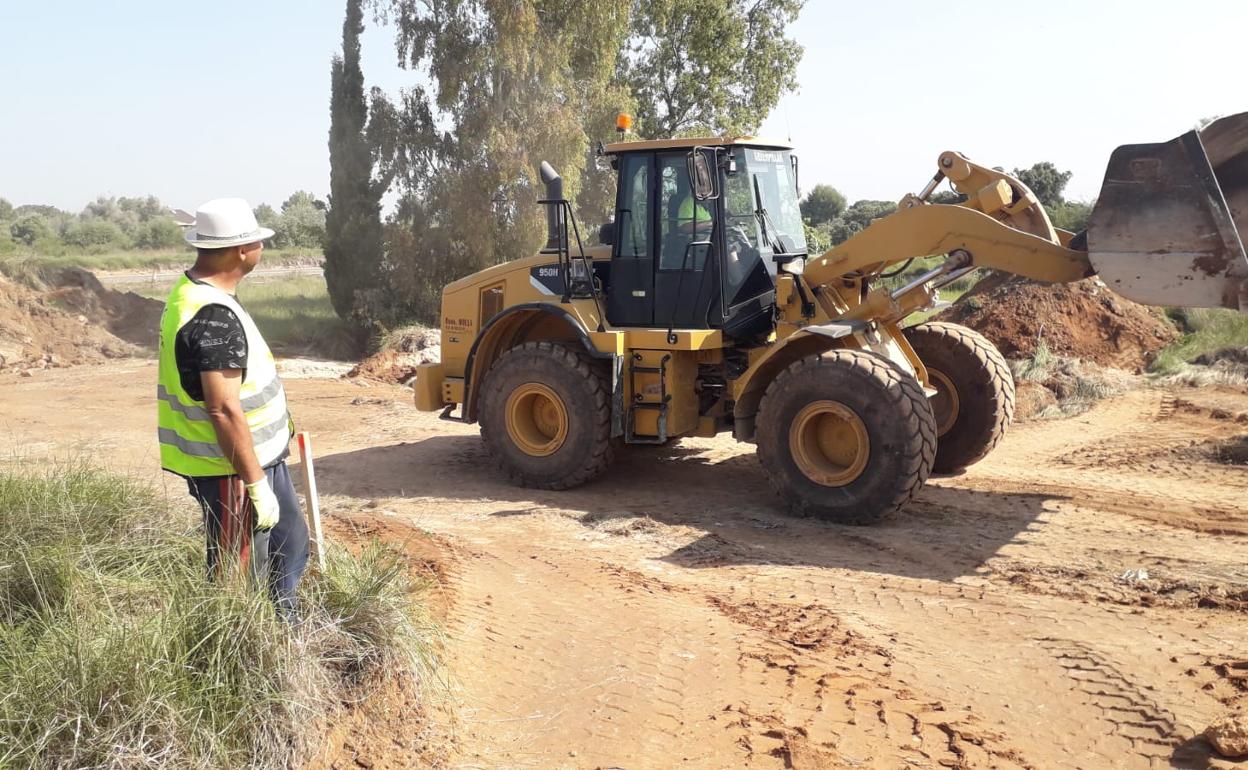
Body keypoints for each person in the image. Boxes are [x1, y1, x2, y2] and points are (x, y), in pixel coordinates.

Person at [156, 198, 308, 615]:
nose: (261, 247)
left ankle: (284, 634)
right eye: (257, 241)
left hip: (252, 460)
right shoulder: (212, 315)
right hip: (232, 470)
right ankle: (241, 660)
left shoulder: (197, 295)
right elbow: (222, 409)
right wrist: (256, 484)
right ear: (242, 251)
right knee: (234, 575)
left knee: (288, 548)